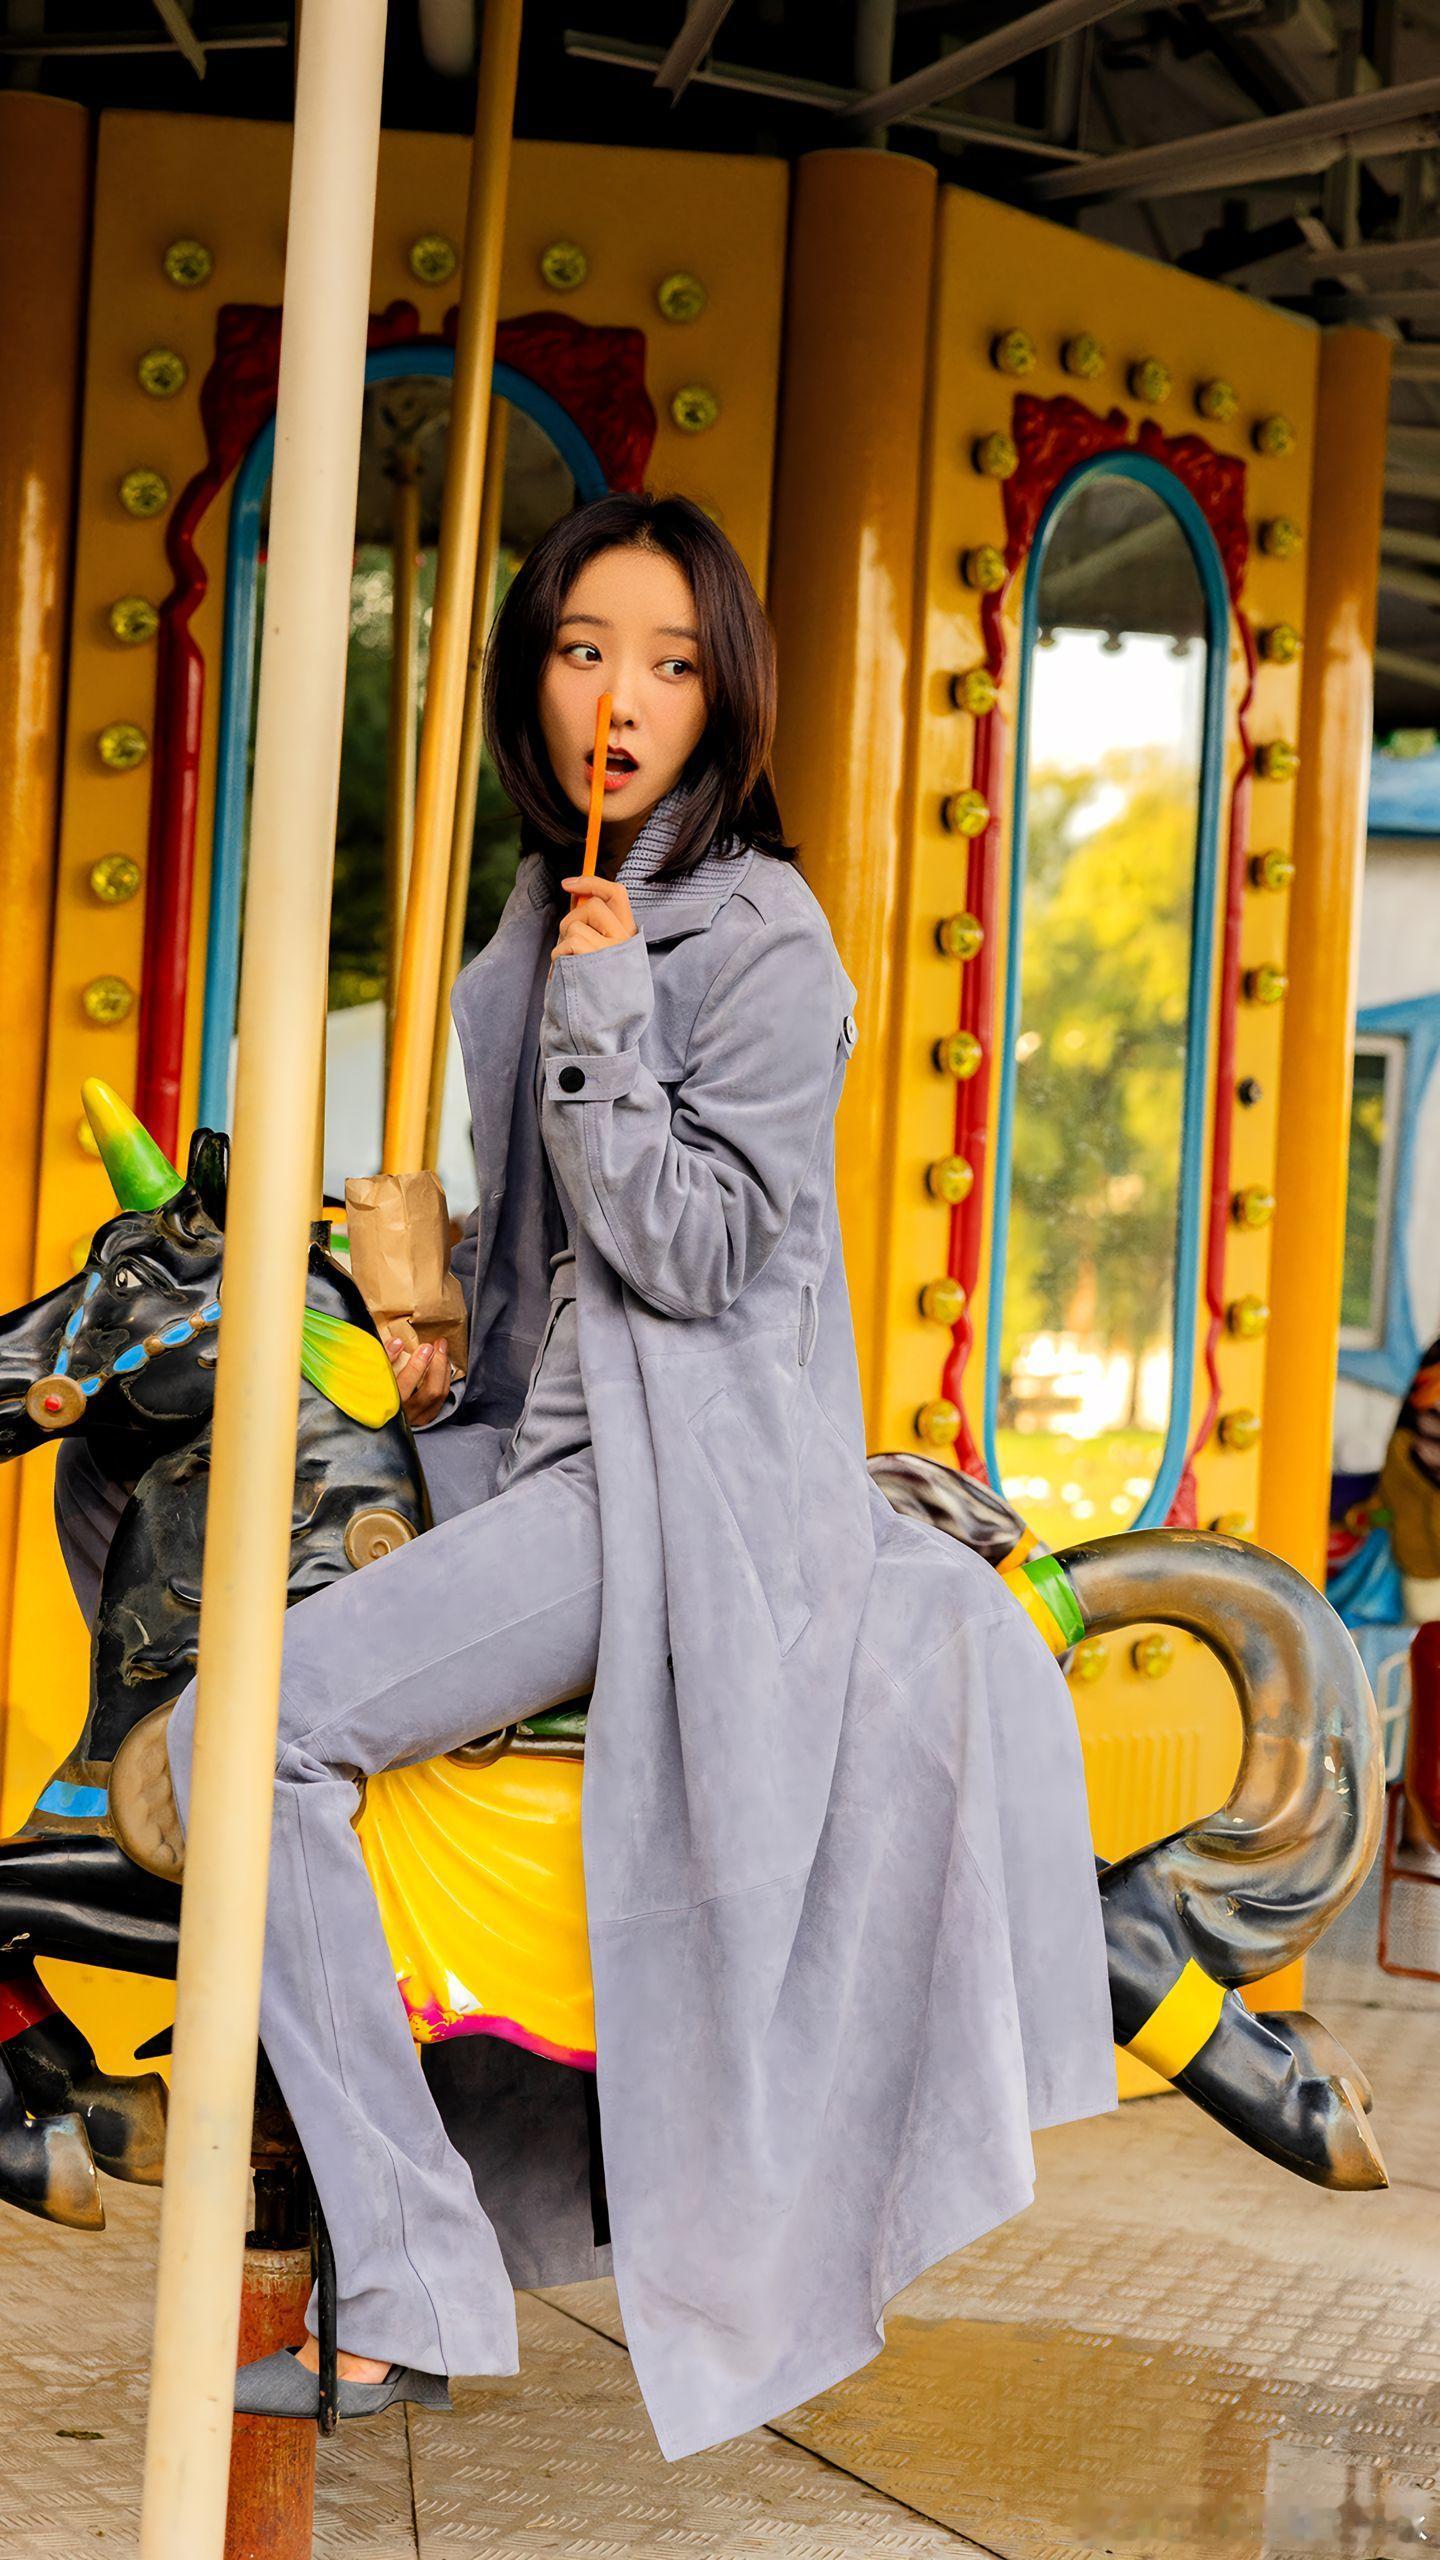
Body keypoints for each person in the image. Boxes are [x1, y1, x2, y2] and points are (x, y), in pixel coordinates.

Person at [63, 491, 1116, 2459]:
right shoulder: (537, 913)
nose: (619, 697)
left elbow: (703, 1258)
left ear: (726, 697)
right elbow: (558, 1282)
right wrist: (435, 1307)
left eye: (669, 660)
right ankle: (392, 2237)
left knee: (237, 1740)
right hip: (543, 1451)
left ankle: (409, 2281)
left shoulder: (761, 935)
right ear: (531, 678)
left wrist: (610, 1018)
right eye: (581, 649)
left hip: (677, 1489)